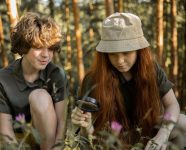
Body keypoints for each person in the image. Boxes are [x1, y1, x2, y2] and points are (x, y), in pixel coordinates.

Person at [71, 12, 186, 149]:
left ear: (139, 50)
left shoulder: (152, 69)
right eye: (113, 54)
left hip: (145, 135)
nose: (120, 61)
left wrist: (162, 135)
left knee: (182, 123)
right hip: (109, 141)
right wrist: (84, 124)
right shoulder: (93, 79)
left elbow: (172, 105)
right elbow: (87, 137)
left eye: (126, 52)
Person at [0, 12, 68, 150]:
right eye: (38, 48)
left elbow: (62, 123)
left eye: (50, 49)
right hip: (19, 143)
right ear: (24, 46)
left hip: (50, 144)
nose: (46, 55)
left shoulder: (57, 75)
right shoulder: (3, 78)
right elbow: (5, 130)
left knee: (40, 96)